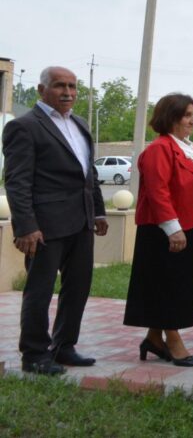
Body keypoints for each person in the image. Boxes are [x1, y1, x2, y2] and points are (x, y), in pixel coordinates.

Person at [1, 66, 108, 375]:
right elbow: (17, 181)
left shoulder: (80, 123)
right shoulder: (24, 126)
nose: (68, 92)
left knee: (78, 287)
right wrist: (26, 226)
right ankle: (34, 353)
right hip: (44, 226)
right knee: (40, 290)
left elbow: (88, 173)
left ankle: (64, 346)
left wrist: (99, 211)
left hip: (82, 222)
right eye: (60, 85)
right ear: (41, 90)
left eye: (72, 86)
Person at [124, 93, 193, 367]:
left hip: (191, 224)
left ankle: (154, 338)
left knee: (177, 284)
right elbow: (158, 191)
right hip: (166, 229)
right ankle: (173, 339)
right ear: (171, 117)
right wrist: (172, 228)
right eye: (187, 115)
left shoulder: (187, 148)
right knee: (168, 286)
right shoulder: (160, 149)